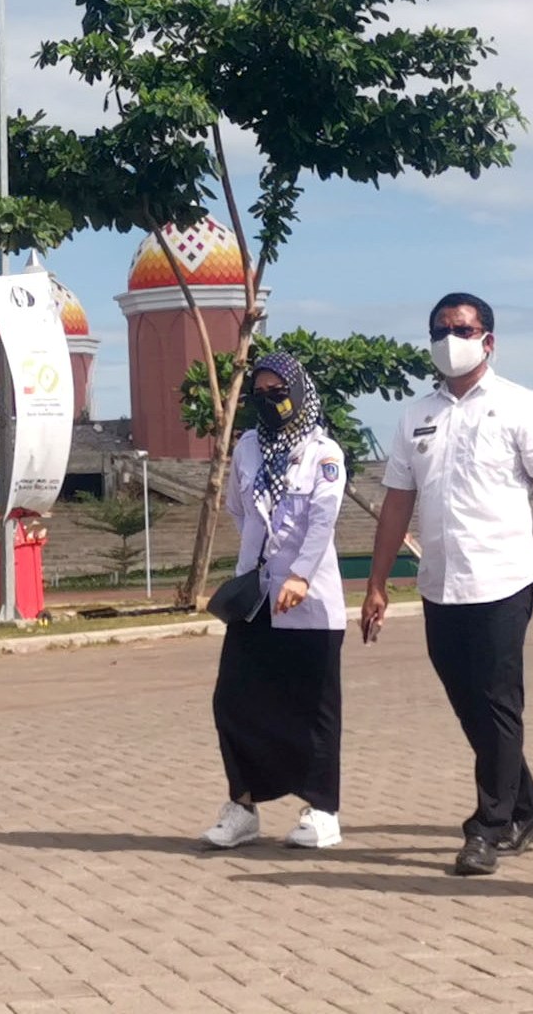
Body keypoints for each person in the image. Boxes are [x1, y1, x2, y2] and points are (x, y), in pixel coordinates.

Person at [362, 292, 533, 876]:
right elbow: (396, 505)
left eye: (462, 328)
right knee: (471, 706)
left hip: (503, 579)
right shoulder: (415, 416)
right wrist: (377, 583)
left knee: (499, 702)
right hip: (440, 583)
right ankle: (529, 805)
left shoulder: (520, 406)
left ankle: (490, 825)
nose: (450, 339)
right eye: (441, 329)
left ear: (488, 340)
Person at [202, 351, 350, 851]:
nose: (268, 402)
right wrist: (260, 563)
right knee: (234, 701)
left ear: (299, 394)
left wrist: (300, 575)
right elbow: (240, 511)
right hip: (257, 598)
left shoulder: (323, 452)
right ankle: (242, 806)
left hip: (309, 603)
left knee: (314, 709)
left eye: (278, 393)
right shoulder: (246, 447)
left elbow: (322, 521)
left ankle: (323, 812)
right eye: (259, 395)